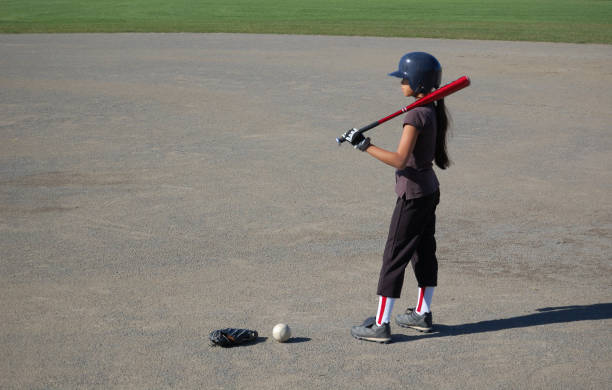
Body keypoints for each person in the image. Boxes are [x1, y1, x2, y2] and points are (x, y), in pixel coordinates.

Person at [343, 52, 451, 343]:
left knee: (394, 256)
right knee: (423, 252)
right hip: (429, 191)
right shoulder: (430, 109)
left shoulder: (416, 114)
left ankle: (380, 324)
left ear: (417, 81)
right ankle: (422, 314)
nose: (401, 81)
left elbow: (400, 160)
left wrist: (364, 145)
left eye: (404, 77)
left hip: (413, 196)